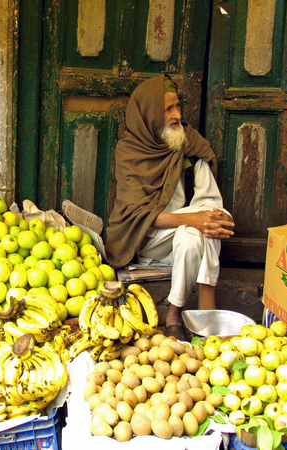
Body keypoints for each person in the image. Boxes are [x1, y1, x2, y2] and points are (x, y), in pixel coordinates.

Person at [105, 74, 235, 341]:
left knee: (198, 232)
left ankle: (175, 313)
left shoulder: (187, 143)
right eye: (168, 109)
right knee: (202, 223)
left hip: (187, 242)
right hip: (149, 240)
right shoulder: (129, 152)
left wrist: (204, 220)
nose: (177, 115)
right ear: (150, 114)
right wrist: (196, 218)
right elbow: (138, 216)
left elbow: (210, 203)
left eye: (178, 106)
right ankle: (207, 306)